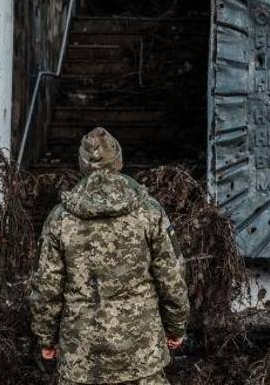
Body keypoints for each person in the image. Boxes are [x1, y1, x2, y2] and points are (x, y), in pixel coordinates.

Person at [30, 127, 190, 385]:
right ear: (119, 161)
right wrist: (176, 327)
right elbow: (171, 276)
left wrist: (46, 338)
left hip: (81, 357)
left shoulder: (60, 218)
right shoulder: (149, 212)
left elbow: (46, 286)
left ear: (82, 165)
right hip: (142, 355)